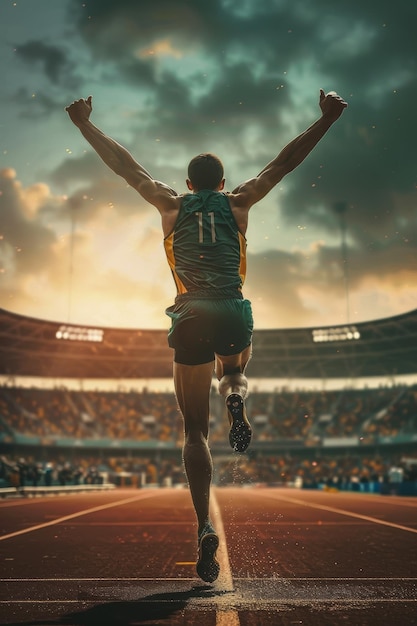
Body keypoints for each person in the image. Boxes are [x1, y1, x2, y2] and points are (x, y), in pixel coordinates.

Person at [66, 89, 347, 582]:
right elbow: (284, 162)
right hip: (232, 308)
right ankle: (235, 392)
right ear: (220, 181)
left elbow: (125, 167)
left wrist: (85, 125)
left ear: (188, 182)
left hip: (190, 312)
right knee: (236, 367)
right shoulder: (240, 201)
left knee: (194, 430)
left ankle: (202, 529)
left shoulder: (170, 204)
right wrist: (326, 118)